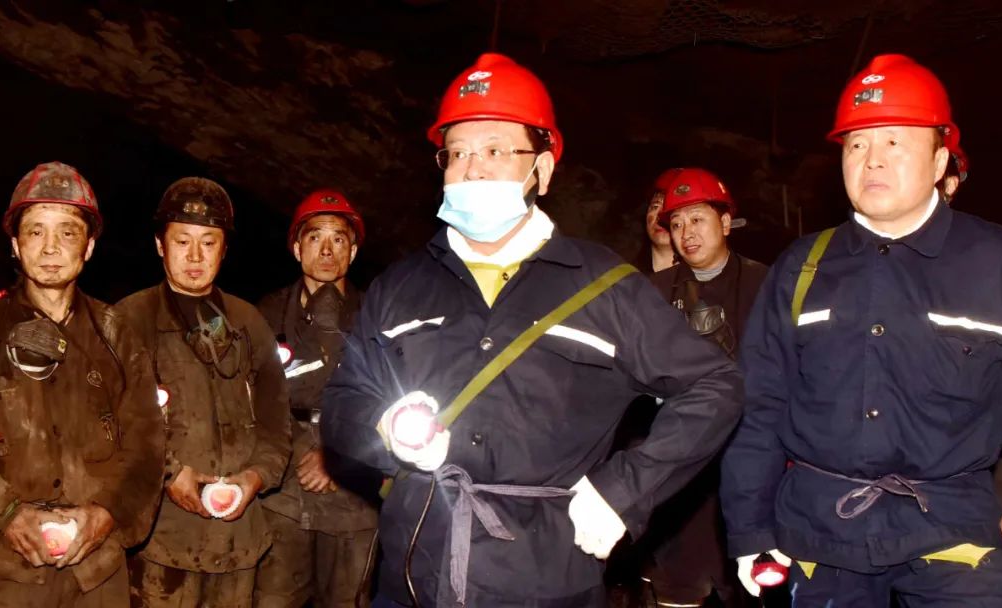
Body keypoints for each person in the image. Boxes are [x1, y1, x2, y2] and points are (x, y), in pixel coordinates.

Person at [321, 52, 743, 608]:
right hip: (414, 576)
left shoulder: (605, 287)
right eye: (457, 153)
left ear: (541, 170)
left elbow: (715, 386)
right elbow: (343, 402)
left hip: (548, 583)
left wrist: (623, 490)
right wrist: (384, 424)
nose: (472, 169)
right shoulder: (399, 286)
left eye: (495, 150)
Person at [721, 53, 1002, 606]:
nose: (873, 160)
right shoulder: (800, 268)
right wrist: (750, 530)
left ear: (939, 160)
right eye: (857, 144)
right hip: (818, 529)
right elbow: (759, 406)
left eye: (894, 142)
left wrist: (982, 427)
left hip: (950, 524)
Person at [0, 161, 164, 607]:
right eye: (35, 231)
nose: (50, 247)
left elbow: (146, 445)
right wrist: (5, 511)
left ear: (89, 247)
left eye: (67, 232)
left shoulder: (118, 335)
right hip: (2, 575)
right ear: (15, 244)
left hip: (97, 573)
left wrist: (107, 513)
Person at [115, 177, 291, 607]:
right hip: (161, 539)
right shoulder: (128, 320)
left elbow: (276, 421)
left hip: (238, 540)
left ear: (224, 249)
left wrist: (256, 476)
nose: (195, 256)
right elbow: (110, 423)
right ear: (160, 245)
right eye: (182, 241)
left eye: (209, 243)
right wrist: (169, 474)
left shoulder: (248, 322)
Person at [632, 168, 768, 607]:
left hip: (749, 467)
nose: (686, 233)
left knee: (752, 589)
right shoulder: (649, 293)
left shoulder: (768, 285)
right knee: (677, 588)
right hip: (679, 474)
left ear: (725, 222)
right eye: (676, 223)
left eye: (697, 219)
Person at [255, 189, 379, 608]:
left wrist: (337, 453)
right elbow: (249, 399)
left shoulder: (377, 315)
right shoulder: (265, 314)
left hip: (353, 493)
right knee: (273, 599)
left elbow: (397, 397)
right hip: (282, 489)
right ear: (297, 248)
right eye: (315, 238)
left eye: (338, 239)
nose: (327, 250)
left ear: (353, 251)